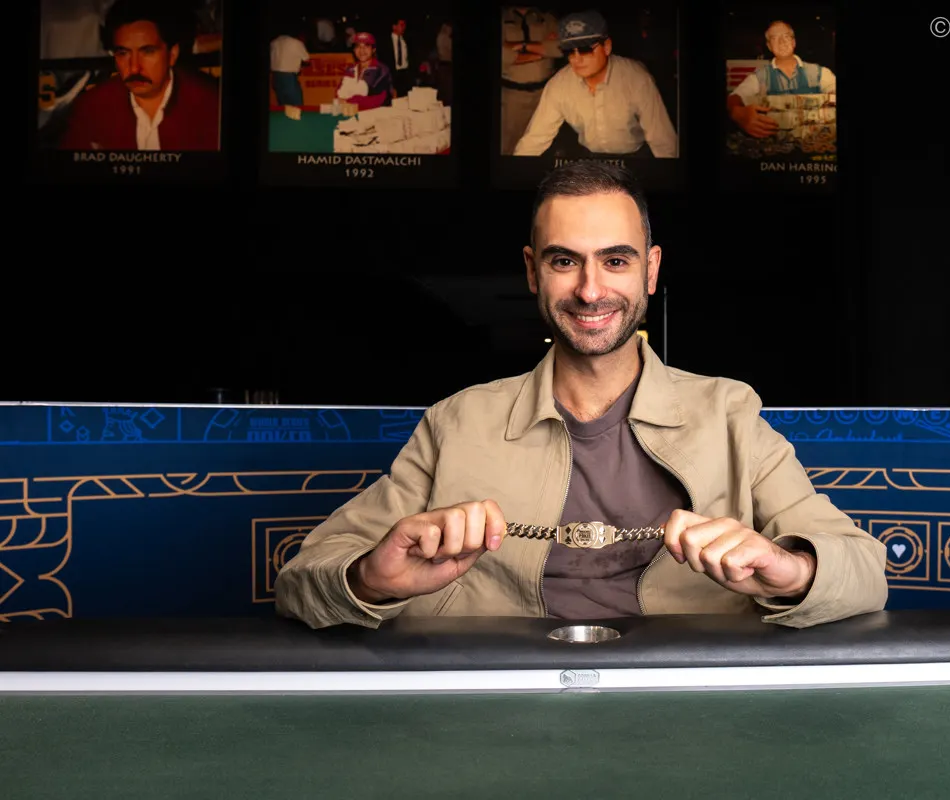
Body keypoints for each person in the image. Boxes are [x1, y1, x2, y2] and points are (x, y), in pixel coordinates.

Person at [274, 162, 888, 630]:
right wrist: (372, 580)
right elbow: (300, 582)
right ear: (532, 271)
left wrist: (789, 570)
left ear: (650, 270)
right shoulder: (457, 422)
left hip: (684, 698)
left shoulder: (728, 413)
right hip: (494, 702)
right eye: (565, 261)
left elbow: (865, 574)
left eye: (615, 261)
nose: (591, 291)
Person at [57, 0, 220, 151]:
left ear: (172, 54)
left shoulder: (212, 105)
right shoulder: (91, 107)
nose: (134, 68)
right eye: (123, 53)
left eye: (147, 52)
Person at [512, 10, 677, 158]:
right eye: (569, 51)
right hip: (588, 157)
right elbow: (535, 139)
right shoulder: (559, 84)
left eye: (585, 49)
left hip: (635, 157)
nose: (576, 59)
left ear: (607, 46)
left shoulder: (637, 79)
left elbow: (663, 143)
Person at [728, 20, 836, 139]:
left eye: (786, 36)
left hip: (813, 142)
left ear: (793, 42)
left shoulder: (819, 73)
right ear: (769, 46)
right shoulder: (759, 77)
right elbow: (734, 98)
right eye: (774, 38)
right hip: (775, 143)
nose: (782, 42)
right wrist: (737, 113)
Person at [500, 6, 562, 155]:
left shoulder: (547, 19)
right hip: (512, 96)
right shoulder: (501, 18)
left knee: (542, 143)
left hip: (544, 95)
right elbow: (502, 55)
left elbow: (560, 47)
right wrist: (542, 51)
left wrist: (520, 46)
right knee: (507, 145)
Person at [336, 31, 392, 111]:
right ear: (354, 50)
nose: (362, 50)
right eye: (358, 46)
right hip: (349, 112)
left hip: (376, 114)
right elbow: (339, 93)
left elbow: (379, 100)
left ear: (373, 49)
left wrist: (349, 101)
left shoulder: (382, 70)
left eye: (366, 46)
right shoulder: (350, 69)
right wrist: (341, 100)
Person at [269, 27, 310, 108]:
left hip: (275, 76)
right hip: (289, 76)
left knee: (282, 105)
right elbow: (307, 59)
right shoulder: (296, 43)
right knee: (296, 105)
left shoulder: (274, 42)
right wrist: (300, 66)